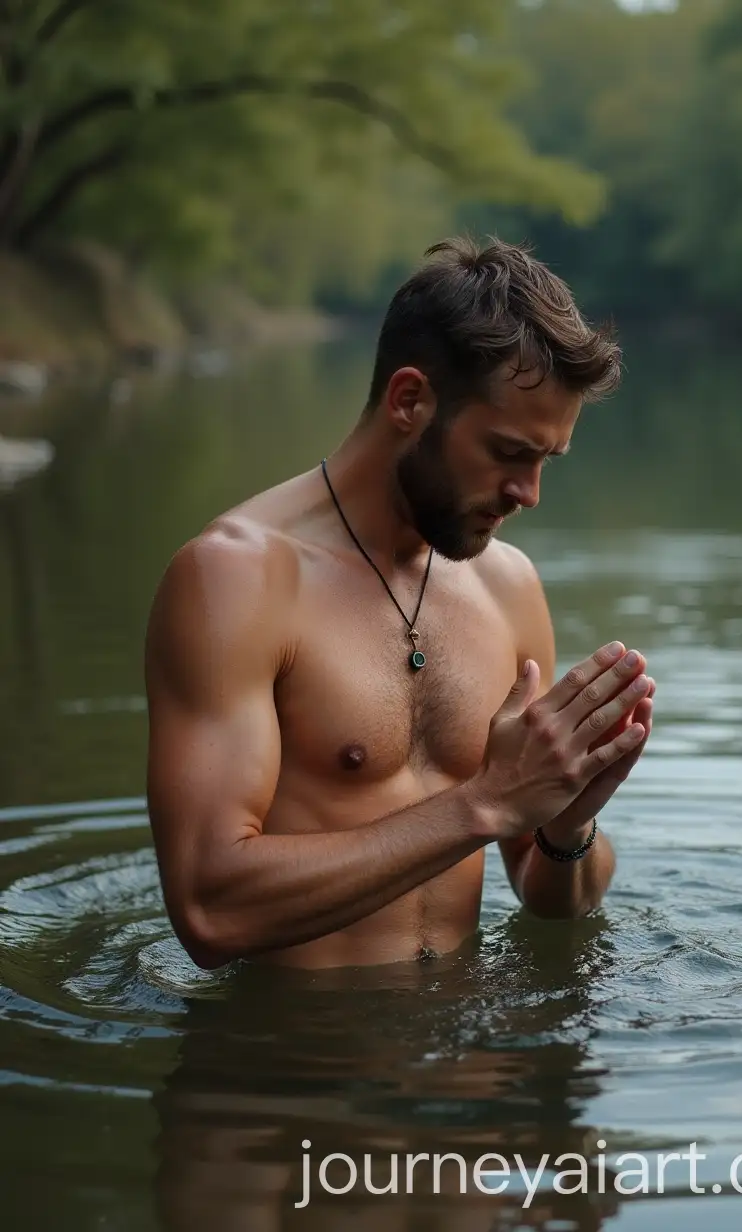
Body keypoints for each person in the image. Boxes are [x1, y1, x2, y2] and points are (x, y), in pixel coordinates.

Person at [144, 236, 655, 972]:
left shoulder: (508, 587)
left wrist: (566, 822)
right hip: (295, 1067)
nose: (528, 494)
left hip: (465, 1058)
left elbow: (550, 898)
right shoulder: (234, 581)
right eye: (509, 452)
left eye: (546, 461)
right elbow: (208, 909)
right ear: (409, 400)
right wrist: (485, 804)